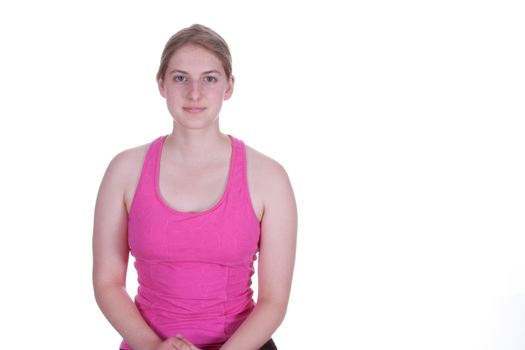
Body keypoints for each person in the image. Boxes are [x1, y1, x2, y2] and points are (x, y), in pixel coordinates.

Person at [92, 24, 298, 350]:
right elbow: (107, 282)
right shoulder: (124, 171)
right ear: (161, 84)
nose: (194, 93)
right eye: (180, 78)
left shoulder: (269, 178)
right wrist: (152, 346)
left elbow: (274, 300)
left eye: (210, 78)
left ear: (229, 86)